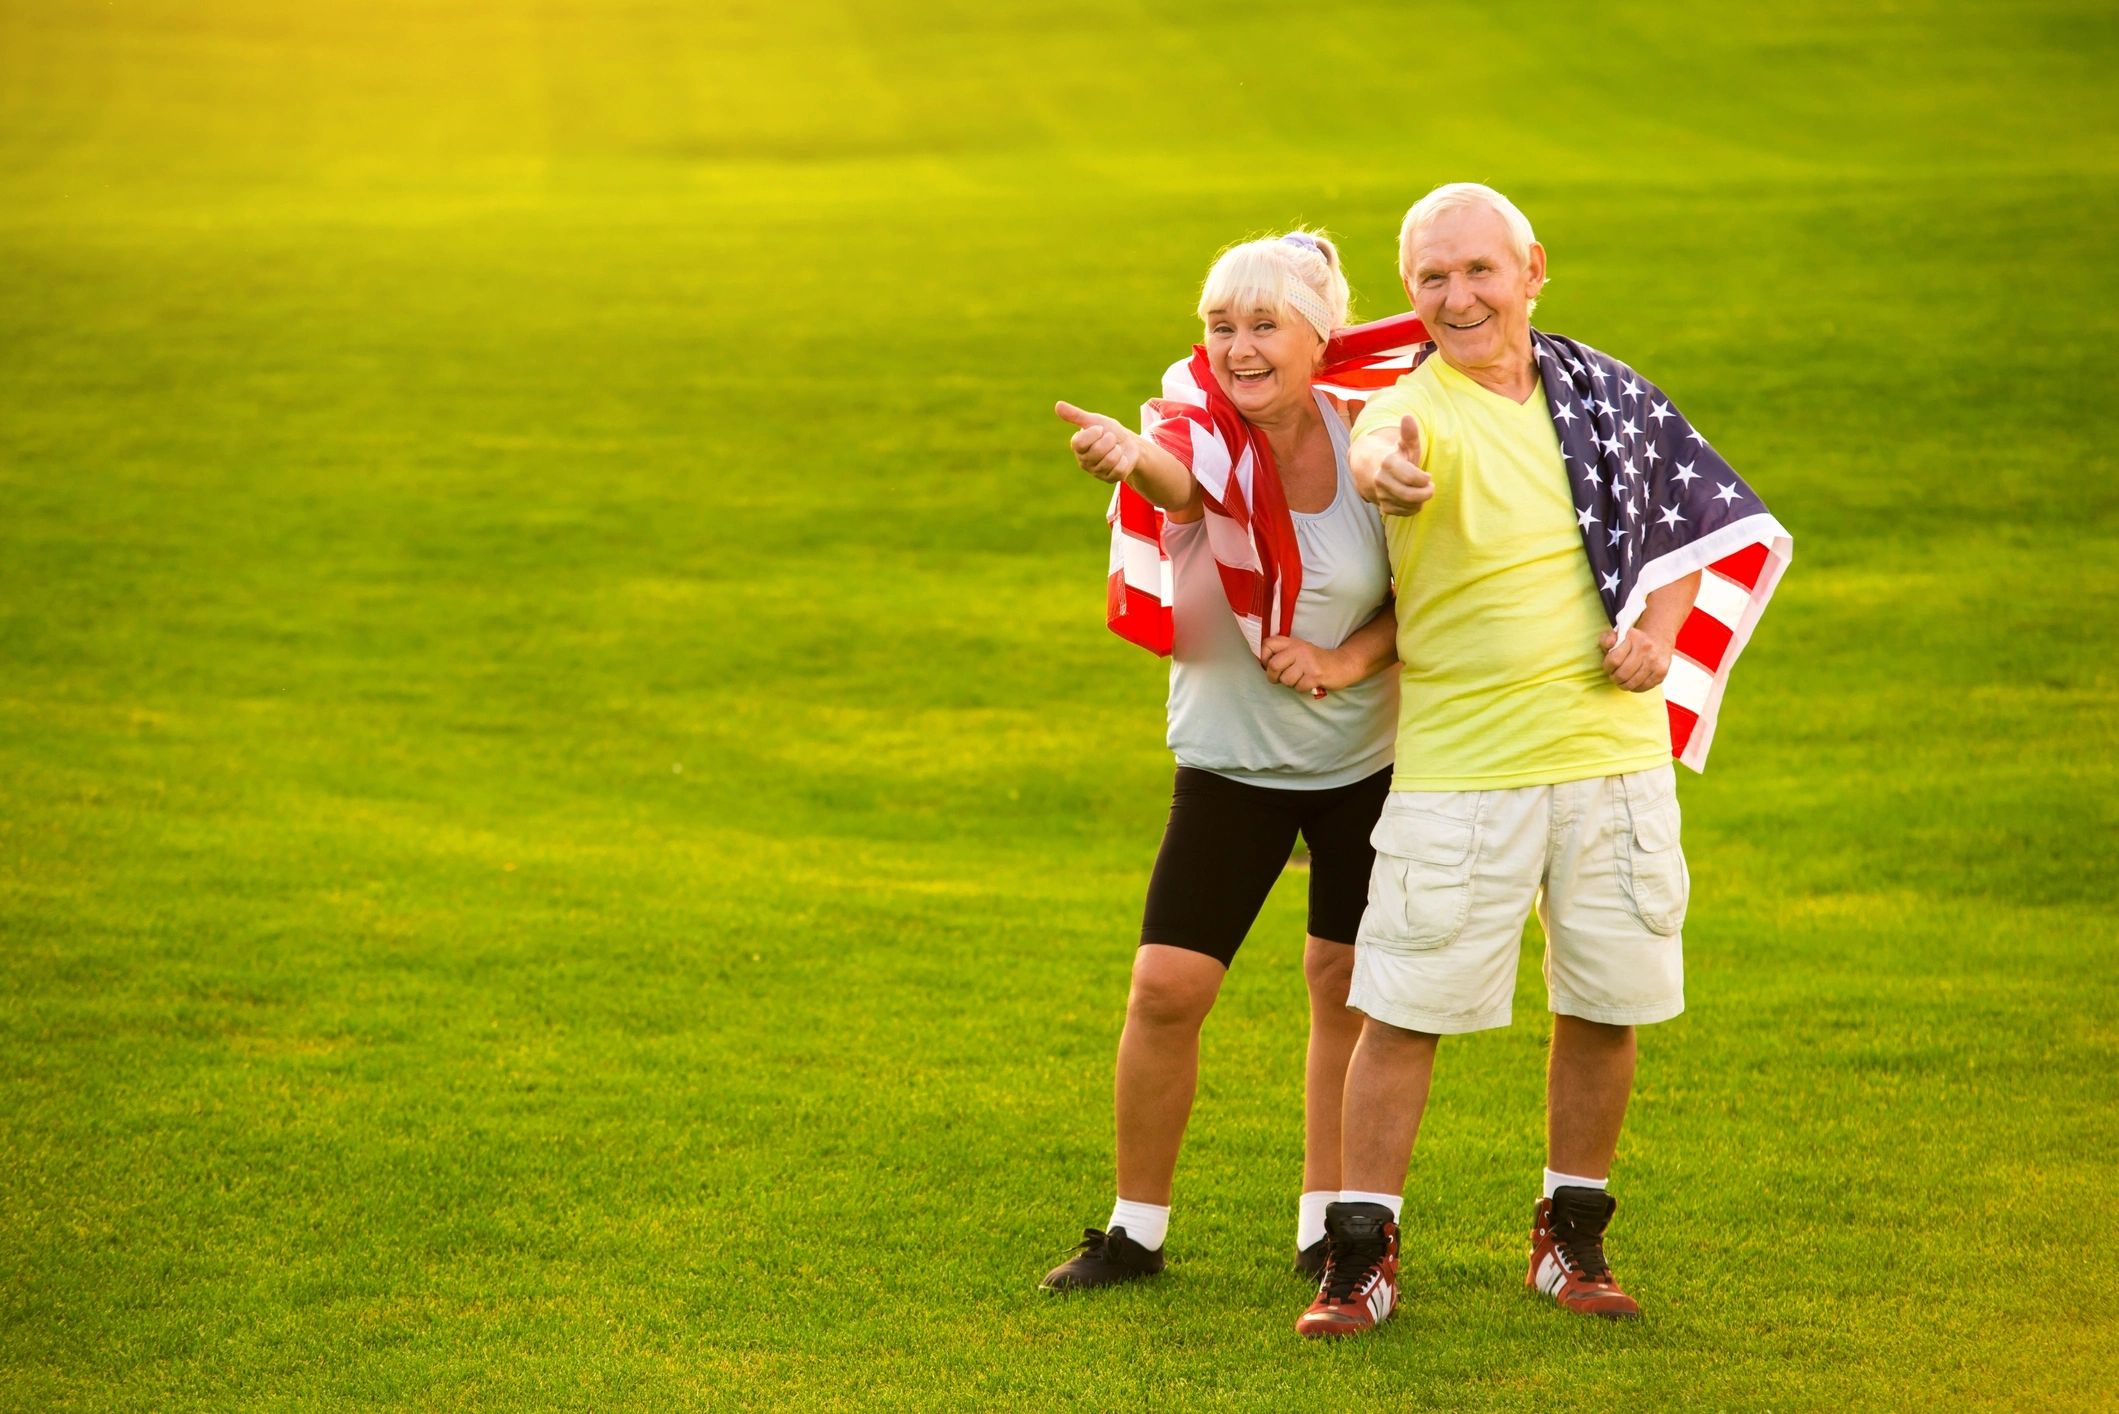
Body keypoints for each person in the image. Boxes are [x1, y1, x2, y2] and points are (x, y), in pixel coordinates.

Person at [1293, 184, 1790, 1337]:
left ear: (1531, 269)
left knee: (1604, 1004)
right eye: (1431, 278)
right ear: (1411, 292)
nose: (1457, 296)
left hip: (1612, 762)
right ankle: (1359, 1254)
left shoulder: (1606, 397)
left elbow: (1681, 530)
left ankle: (1570, 1239)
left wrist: (1659, 631)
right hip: (1464, 771)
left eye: (1478, 270)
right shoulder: (1409, 410)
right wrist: (1387, 473)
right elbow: (1379, 456)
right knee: (1403, 1008)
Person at [1039, 231, 1404, 1290]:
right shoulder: (1190, 430)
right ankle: (1134, 1231)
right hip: (1230, 766)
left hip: (1364, 762)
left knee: (1340, 989)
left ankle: (1327, 1222)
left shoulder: (1372, 433)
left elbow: (1422, 603)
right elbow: (1178, 483)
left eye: (1263, 325)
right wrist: (1127, 457)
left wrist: (1343, 658)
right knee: (1164, 989)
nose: (1238, 349)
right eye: (1219, 325)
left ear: (1318, 336)